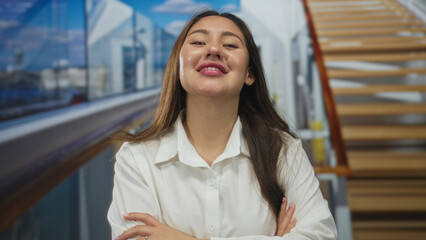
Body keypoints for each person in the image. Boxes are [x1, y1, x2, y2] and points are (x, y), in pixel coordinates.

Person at [108, 10, 337, 240]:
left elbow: (321, 235)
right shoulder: (136, 159)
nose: (214, 50)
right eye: (198, 41)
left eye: (230, 45)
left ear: (249, 74)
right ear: (178, 68)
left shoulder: (283, 150)